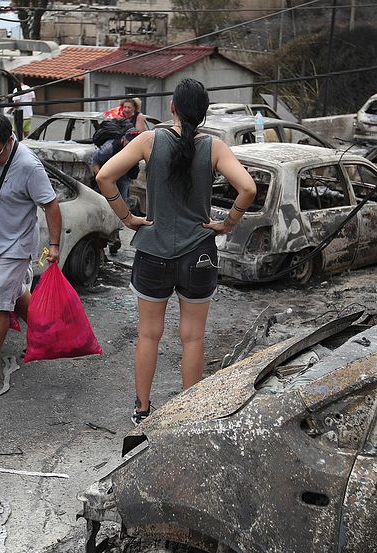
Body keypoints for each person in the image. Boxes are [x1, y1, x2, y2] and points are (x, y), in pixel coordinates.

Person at [96, 78, 257, 424]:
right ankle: (188, 414)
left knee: (148, 335)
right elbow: (247, 188)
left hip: (153, 250)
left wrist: (128, 218)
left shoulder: (149, 141)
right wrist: (227, 223)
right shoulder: (214, 147)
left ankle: (141, 410)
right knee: (193, 337)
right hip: (198, 253)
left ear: (172, 107)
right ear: (203, 112)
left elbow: (104, 176)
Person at [0, 113, 63, 388]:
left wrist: (54, 246)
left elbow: (51, 205)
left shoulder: (29, 166)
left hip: (15, 244)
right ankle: (48, 337)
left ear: (9, 141)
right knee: (13, 293)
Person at [92, 127, 142, 201]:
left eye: (134, 144)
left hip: (123, 176)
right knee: (106, 202)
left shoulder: (136, 149)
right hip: (107, 175)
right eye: (129, 143)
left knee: (122, 201)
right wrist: (101, 181)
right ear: (123, 139)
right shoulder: (109, 148)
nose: (131, 147)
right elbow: (95, 162)